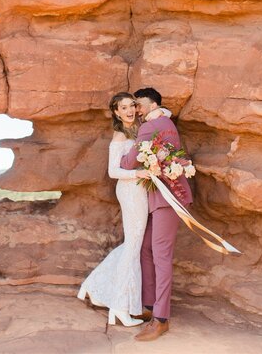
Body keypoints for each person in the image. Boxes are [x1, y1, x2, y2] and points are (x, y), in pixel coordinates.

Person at [120, 87, 193, 342]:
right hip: (159, 198)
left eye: (138, 105)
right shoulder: (165, 122)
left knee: (160, 256)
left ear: (152, 105)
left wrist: (121, 159)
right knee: (146, 250)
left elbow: (129, 162)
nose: (136, 110)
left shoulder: (151, 125)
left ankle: (161, 319)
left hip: (168, 198)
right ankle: (150, 306)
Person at [77, 92, 150, 327]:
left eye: (132, 106)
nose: (129, 111)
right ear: (116, 112)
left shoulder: (137, 129)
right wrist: (137, 173)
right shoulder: (119, 136)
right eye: (123, 108)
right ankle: (119, 306)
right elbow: (112, 171)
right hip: (129, 190)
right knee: (133, 246)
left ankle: (99, 288)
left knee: (132, 245)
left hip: (138, 190)